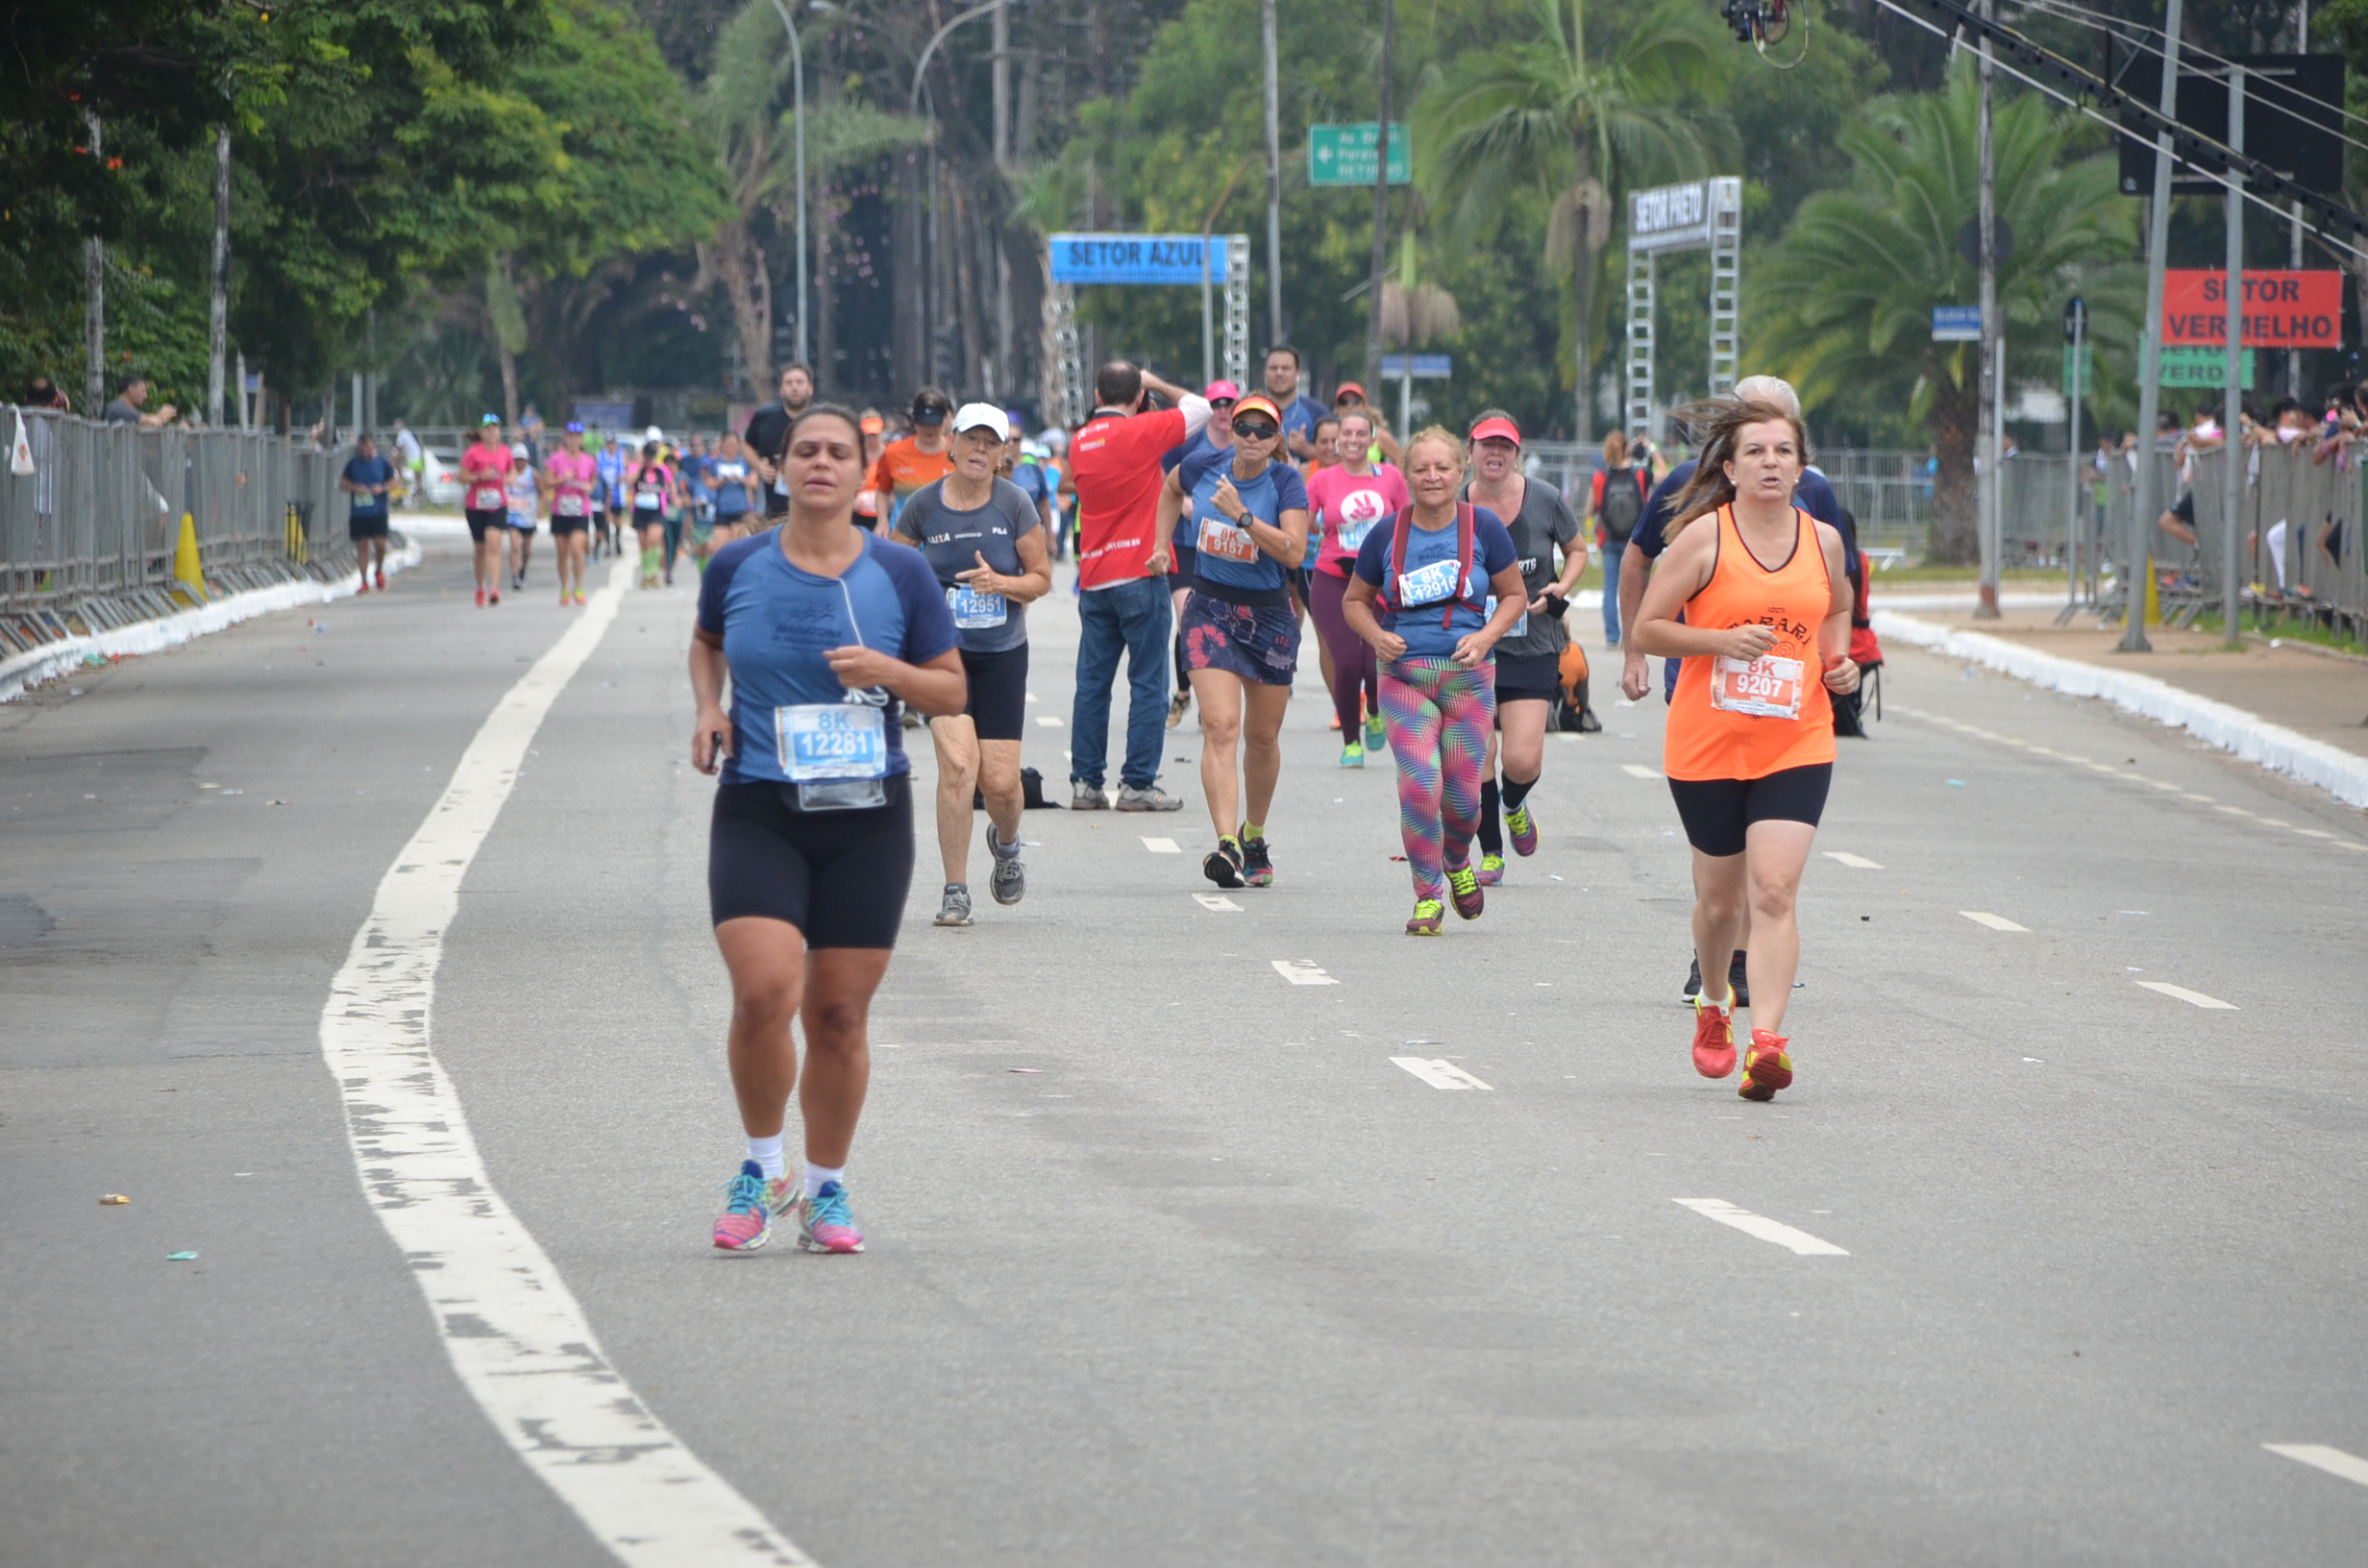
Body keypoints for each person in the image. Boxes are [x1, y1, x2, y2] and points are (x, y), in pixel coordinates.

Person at [690, 403, 966, 1254]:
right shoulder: (736, 564)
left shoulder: (900, 575)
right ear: (782, 468)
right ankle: (759, 1165)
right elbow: (706, 642)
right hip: (761, 806)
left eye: (837, 452)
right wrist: (709, 706)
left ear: (862, 471)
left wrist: (890, 671)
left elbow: (952, 691)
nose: (819, 463)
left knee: (839, 1015)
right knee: (764, 990)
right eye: (804, 450)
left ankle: (825, 1190)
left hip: (867, 817)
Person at [1630, 397, 1858, 1103]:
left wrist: (1838, 658)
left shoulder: (1823, 541)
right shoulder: (1704, 540)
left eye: (1782, 451)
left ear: (1800, 466)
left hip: (1797, 738)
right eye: (1755, 452)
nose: (1770, 462)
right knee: (1721, 904)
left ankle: (1769, 1042)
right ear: (1729, 469)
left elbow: (1840, 604)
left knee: (1773, 890)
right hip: (1708, 743)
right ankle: (1713, 1005)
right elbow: (1647, 628)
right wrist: (1720, 642)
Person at [1343, 429, 1527, 934]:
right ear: (1407, 476)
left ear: (1459, 472)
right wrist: (1377, 636)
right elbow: (1354, 601)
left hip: (1468, 678)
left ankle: (1456, 859)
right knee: (1421, 785)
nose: (1432, 477)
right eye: (1421, 469)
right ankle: (1427, 895)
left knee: (1465, 800)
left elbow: (1514, 595)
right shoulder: (1386, 533)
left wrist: (1486, 637)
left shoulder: (1483, 527)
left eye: (1442, 468)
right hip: (1404, 677)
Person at [894, 404, 1054, 926]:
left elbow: (1041, 577)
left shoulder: (1015, 504)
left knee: (1002, 784)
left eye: (992, 442)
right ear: (952, 446)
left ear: (1003, 453)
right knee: (959, 768)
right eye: (972, 440)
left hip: (1002, 655)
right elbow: (895, 570)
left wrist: (1000, 585)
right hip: (944, 658)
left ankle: (1006, 846)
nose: (981, 450)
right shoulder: (922, 506)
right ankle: (955, 889)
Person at [1155, 393, 1310, 887]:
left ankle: (1254, 834)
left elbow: (1293, 551)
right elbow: (1168, 486)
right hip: (1209, 608)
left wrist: (1242, 515)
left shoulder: (1286, 482)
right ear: (1232, 428)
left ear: (1277, 438)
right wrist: (1161, 545)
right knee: (1220, 726)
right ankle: (1226, 845)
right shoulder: (1205, 464)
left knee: (1261, 738)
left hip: (1268, 617)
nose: (1252, 438)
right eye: (1244, 427)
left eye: (1264, 430)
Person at [1066, 360, 1211, 811]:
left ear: (1096, 396)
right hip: (1142, 570)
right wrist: (1158, 383)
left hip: (1094, 575)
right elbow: (1202, 408)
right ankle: (1137, 785)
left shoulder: (1079, 442)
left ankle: (1086, 784)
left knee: (1092, 683)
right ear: (1139, 397)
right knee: (1148, 682)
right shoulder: (1143, 430)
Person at [1463, 410, 1585, 886]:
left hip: (1533, 642)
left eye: (1505, 447)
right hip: (1471, 645)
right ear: (1470, 450)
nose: (1495, 455)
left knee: (1521, 760)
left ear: (1517, 454)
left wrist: (1562, 587)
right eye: (1486, 445)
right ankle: (1490, 851)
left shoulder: (1546, 500)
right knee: (1478, 757)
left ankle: (1514, 804)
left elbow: (1577, 550)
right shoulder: (1452, 504)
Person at [1304, 407, 1406, 765]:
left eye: (1360, 434)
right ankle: (1351, 741)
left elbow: (1408, 523)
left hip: (1379, 581)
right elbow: (1302, 523)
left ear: (1372, 439)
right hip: (1333, 578)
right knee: (1346, 661)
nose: (1352, 440)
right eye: (1345, 434)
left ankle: (1376, 709)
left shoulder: (1391, 478)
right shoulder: (1322, 480)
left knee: (1375, 659)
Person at [1161, 380, 1239, 728]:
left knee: (1219, 623)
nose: (1223, 410)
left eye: (1229, 404)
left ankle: (1208, 695)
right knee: (1187, 616)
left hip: (1225, 548)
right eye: (1216, 404)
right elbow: (1161, 476)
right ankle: (1183, 691)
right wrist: (1184, 503)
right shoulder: (1188, 445)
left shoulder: (1247, 447)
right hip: (1185, 545)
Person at [1591, 429, 1650, 647]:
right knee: (1633, 589)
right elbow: (1662, 474)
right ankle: (1632, 635)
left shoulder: (1599, 477)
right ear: (1627, 448)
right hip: (1634, 540)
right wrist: (1650, 448)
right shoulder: (1640, 475)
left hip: (1608, 539)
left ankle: (1612, 637)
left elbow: (1591, 508)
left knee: (1610, 588)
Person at [868, 389, 956, 532]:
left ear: (945, 420)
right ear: (914, 421)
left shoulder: (957, 454)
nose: (929, 430)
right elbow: (883, 490)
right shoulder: (893, 453)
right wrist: (882, 521)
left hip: (946, 535)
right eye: (924, 424)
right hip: (903, 534)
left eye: (934, 424)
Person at [743, 363, 816, 523]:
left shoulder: (821, 419)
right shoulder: (765, 417)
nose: (794, 388)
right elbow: (746, 445)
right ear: (781, 390)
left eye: (799, 382)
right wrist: (759, 466)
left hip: (812, 501)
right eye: (789, 383)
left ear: (810, 388)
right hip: (772, 504)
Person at [459, 414, 512, 605]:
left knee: (494, 544)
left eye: (495, 428)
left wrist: (509, 478)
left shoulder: (504, 452)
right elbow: (462, 476)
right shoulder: (473, 453)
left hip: (498, 504)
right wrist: (480, 475)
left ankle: (494, 589)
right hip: (476, 505)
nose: (491, 432)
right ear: (481, 432)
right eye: (488, 429)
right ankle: (480, 586)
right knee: (480, 548)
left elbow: (511, 469)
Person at [545, 422, 599, 605]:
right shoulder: (555, 459)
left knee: (577, 549)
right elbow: (547, 482)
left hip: (580, 511)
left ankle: (579, 586)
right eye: (570, 436)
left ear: (582, 439)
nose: (574, 440)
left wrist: (589, 487)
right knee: (562, 552)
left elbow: (593, 481)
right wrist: (562, 479)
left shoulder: (589, 460)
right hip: (561, 511)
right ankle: (565, 587)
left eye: (577, 437)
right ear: (565, 438)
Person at [339, 432, 396, 593]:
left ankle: (378, 569)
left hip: (378, 510)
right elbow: (342, 484)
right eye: (362, 447)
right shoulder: (353, 464)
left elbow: (394, 481)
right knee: (362, 545)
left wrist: (382, 488)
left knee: (380, 543)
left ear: (373, 446)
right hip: (359, 512)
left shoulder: (382, 462)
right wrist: (354, 487)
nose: (365, 450)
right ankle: (364, 580)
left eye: (368, 447)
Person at [628, 439, 678, 589]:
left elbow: (671, 483)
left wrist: (674, 496)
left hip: (657, 510)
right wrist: (640, 466)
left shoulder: (661, 469)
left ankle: (653, 572)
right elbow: (630, 480)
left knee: (654, 539)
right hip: (640, 510)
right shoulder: (637, 468)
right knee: (643, 543)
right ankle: (646, 573)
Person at [1263, 346, 1327, 462]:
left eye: (1286, 368)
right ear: (1265, 373)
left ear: (1297, 373)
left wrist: (1306, 449)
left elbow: (1338, 456)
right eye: (1273, 368)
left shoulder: (1317, 412)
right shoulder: (1252, 410)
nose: (1279, 373)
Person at [1331, 383, 1403, 464]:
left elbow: (1400, 461)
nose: (1350, 406)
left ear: (1365, 406)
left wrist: (1386, 475)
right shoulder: (1330, 435)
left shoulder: (1379, 435)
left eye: (1356, 401)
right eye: (1343, 402)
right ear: (1337, 409)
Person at [709, 430, 758, 548]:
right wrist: (723, 480)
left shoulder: (744, 463)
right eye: (728, 444)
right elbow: (710, 484)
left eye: (734, 445)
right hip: (722, 508)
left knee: (737, 545)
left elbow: (754, 483)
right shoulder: (716, 463)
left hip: (740, 508)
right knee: (719, 546)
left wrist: (741, 478)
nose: (731, 448)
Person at [503, 441, 540, 591]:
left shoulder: (533, 474)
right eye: (516, 459)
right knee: (514, 545)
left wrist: (540, 508)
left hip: (528, 517)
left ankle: (523, 568)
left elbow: (543, 492)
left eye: (522, 460)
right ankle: (515, 576)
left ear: (527, 460)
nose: (519, 463)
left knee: (526, 549)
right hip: (512, 516)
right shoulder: (507, 474)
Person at [593, 432, 627, 558]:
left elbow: (627, 471)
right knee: (606, 518)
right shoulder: (600, 456)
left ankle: (617, 539)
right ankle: (608, 544)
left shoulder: (621, 455)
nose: (610, 446)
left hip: (618, 493)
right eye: (608, 443)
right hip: (605, 492)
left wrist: (623, 478)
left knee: (618, 520)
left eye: (612, 443)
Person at [103, 376, 176, 428]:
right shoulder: (118, 409)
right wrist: (162, 416)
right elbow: (152, 423)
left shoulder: (122, 408)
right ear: (131, 388)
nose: (146, 396)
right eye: (143, 391)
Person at [391, 420, 425, 510]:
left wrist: (397, 458)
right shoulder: (407, 433)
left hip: (414, 458)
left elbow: (399, 449)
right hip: (416, 456)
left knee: (416, 480)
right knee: (418, 480)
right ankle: (419, 497)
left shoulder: (402, 435)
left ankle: (417, 497)